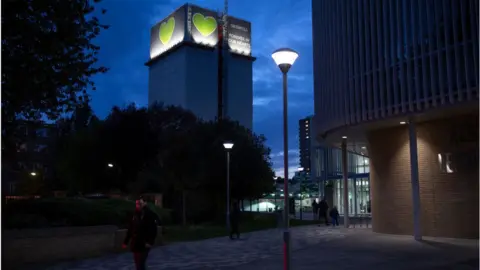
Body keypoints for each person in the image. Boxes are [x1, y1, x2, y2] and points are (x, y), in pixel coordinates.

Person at [122, 197, 159, 270]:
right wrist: (126, 242)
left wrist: (149, 242)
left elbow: (153, 229)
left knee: (141, 263)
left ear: (145, 203)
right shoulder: (135, 215)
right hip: (136, 243)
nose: (138, 205)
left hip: (144, 243)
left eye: (140, 204)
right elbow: (131, 229)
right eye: (137, 204)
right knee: (138, 263)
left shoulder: (149, 214)